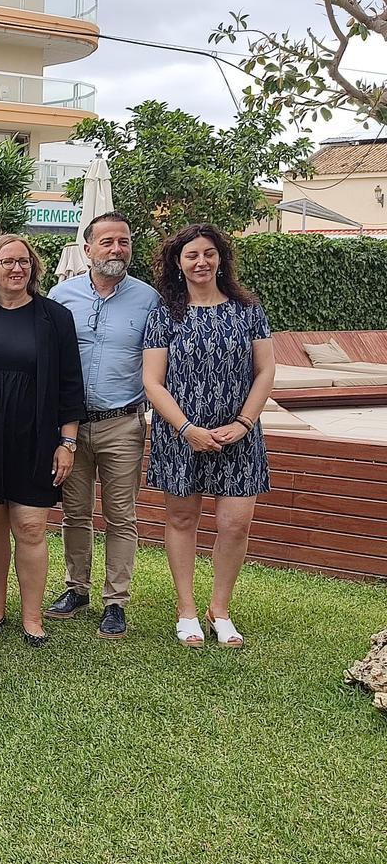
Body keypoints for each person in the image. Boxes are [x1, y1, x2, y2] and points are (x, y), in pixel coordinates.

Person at [143, 224, 274, 649]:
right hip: (181, 434)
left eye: (209, 253)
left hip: (240, 435)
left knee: (235, 524)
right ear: (177, 264)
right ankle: (186, 610)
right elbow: (153, 382)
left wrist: (244, 423)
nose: (201, 262)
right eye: (191, 255)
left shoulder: (247, 309)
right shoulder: (165, 313)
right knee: (182, 519)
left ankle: (220, 608)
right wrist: (187, 430)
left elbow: (265, 371)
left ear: (221, 258)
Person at [0, 235, 85, 646]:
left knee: (31, 527)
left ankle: (32, 617)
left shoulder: (55, 317)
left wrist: (67, 442)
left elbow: (71, 385)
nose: (17, 269)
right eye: (7, 261)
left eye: (24, 262)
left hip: (36, 437)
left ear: (33, 268)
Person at [46, 211, 160, 640]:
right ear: (88, 247)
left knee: (120, 515)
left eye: (124, 242)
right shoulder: (62, 296)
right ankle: (77, 589)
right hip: (72, 427)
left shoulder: (149, 300)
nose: (117, 249)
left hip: (122, 424)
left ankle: (116, 601)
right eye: (107, 242)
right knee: (74, 513)